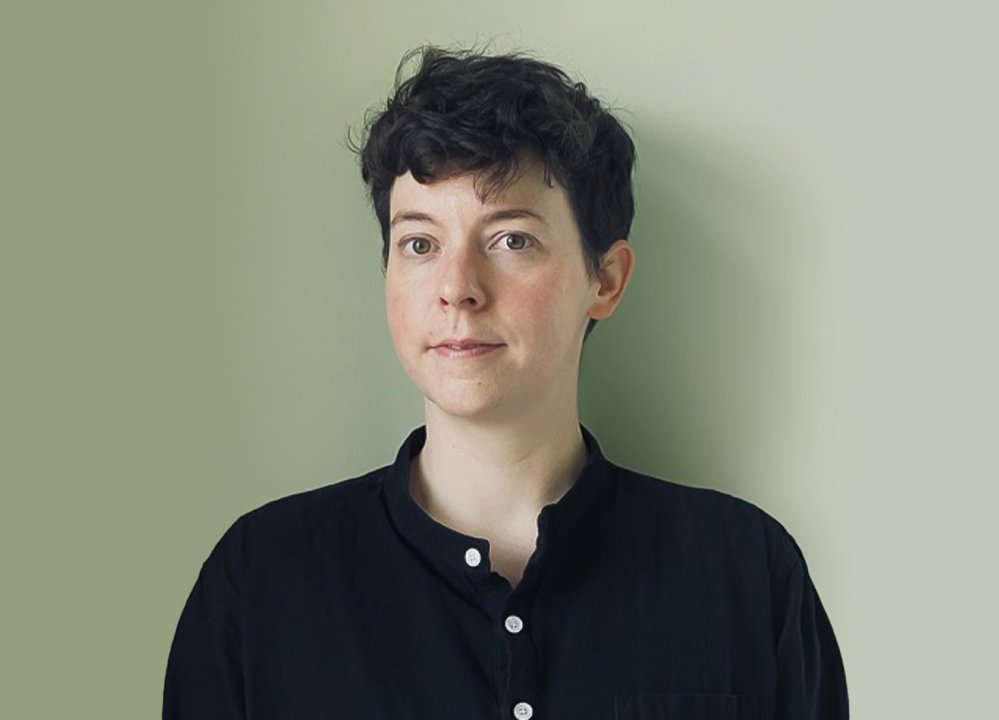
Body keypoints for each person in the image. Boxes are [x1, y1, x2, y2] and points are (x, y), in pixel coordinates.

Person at [163, 46, 848, 719]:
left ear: (605, 280)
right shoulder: (261, 580)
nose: (457, 288)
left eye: (511, 240)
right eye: (420, 244)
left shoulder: (747, 574)